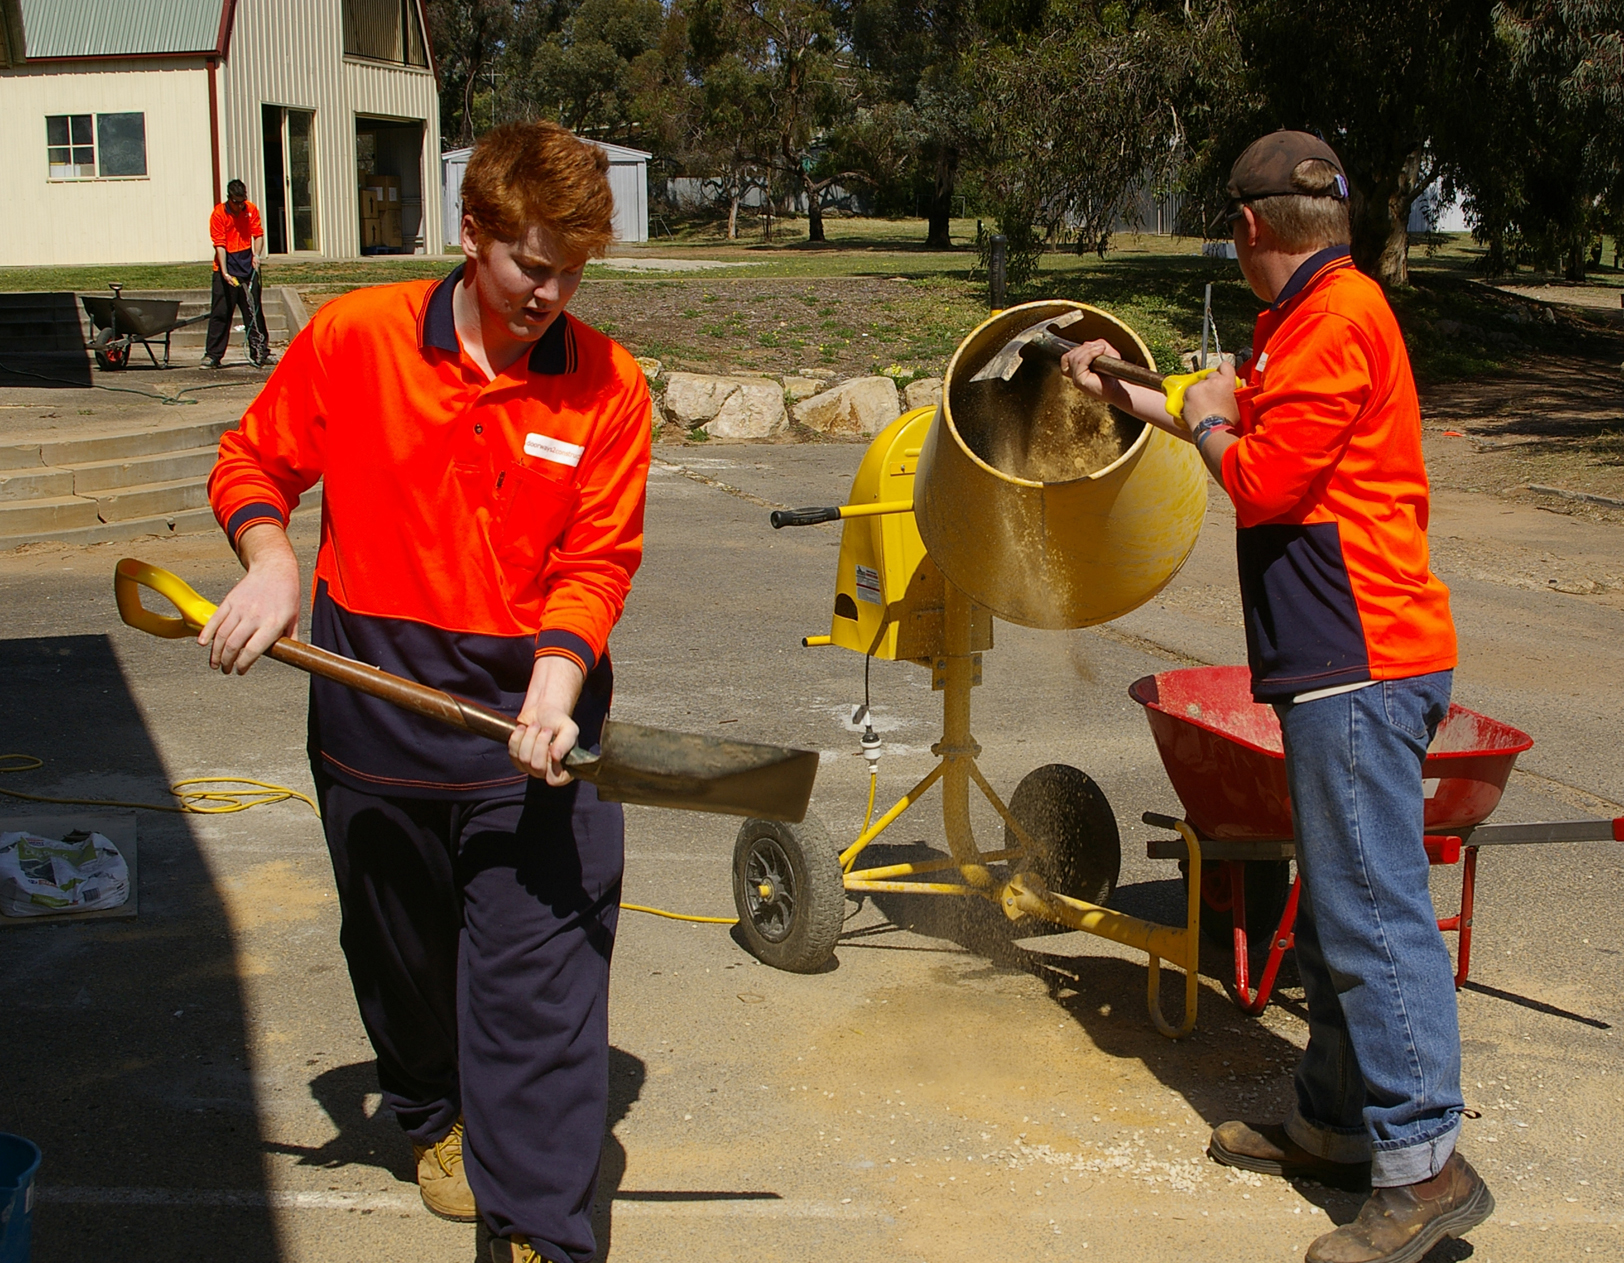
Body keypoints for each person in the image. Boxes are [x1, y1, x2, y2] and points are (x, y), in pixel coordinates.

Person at [201, 121, 652, 1263]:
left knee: (541, 996)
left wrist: (556, 683)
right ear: (472, 233)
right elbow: (252, 462)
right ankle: (428, 1109)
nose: (552, 294)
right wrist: (270, 561)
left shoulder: (609, 387)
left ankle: (536, 1234)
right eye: (531, 267)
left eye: (572, 273)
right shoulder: (356, 338)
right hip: (373, 711)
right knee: (401, 961)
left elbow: (596, 561)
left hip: (534, 722)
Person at [1061, 131, 1493, 1263]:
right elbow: (1252, 418)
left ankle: (1423, 1169)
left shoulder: (1335, 320)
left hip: (1362, 659)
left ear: (1247, 229)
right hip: (1340, 656)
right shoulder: (1316, 315)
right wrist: (1134, 393)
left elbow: (1260, 476)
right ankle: (1335, 1128)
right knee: (1343, 904)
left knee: (1373, 917)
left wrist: (1204, 416)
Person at [204, 178, 271, 368]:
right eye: (235, 202)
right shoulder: (219, 213)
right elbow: (220, 245)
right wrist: (224, 273)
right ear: (229, 199)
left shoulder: (250, 210)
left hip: (246, 264)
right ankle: (213, 355)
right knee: (221, 313)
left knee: (253, 311)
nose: (239, 205)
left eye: (242, 201)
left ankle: (260, 351)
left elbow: (257, 234)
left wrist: (256, 255)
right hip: (226, 265)